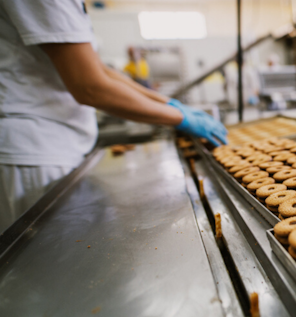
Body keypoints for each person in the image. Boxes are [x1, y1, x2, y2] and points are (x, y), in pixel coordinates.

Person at [0, 1, 227, 232]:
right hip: (37, 147)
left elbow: (99, 70)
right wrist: (180, 117)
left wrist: (168, 103)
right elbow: (89, 86)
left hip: (56, 142)